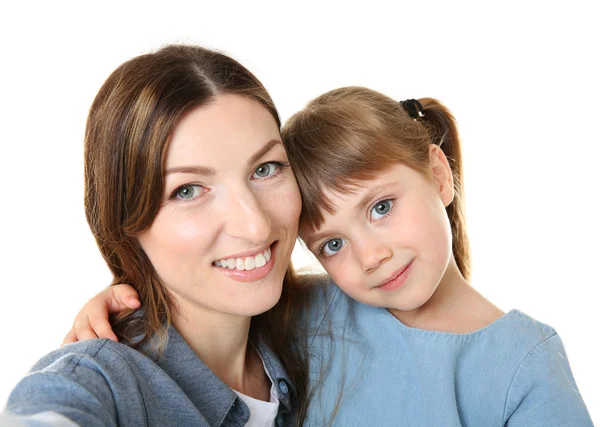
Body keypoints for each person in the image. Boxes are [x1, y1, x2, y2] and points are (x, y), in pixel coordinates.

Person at [66, 87, 593, 426]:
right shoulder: (314, 311)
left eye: (381, 206)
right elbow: (203, 306)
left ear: (438, 173)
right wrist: (120, 294)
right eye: (332, 245)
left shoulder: (525, 363)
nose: (371, 256)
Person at [2, 44, 313, 427]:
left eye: (265, 169)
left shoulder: (325, 325)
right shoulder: (102, 379)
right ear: (126, 226)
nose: (256, 226)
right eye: (188, 190)